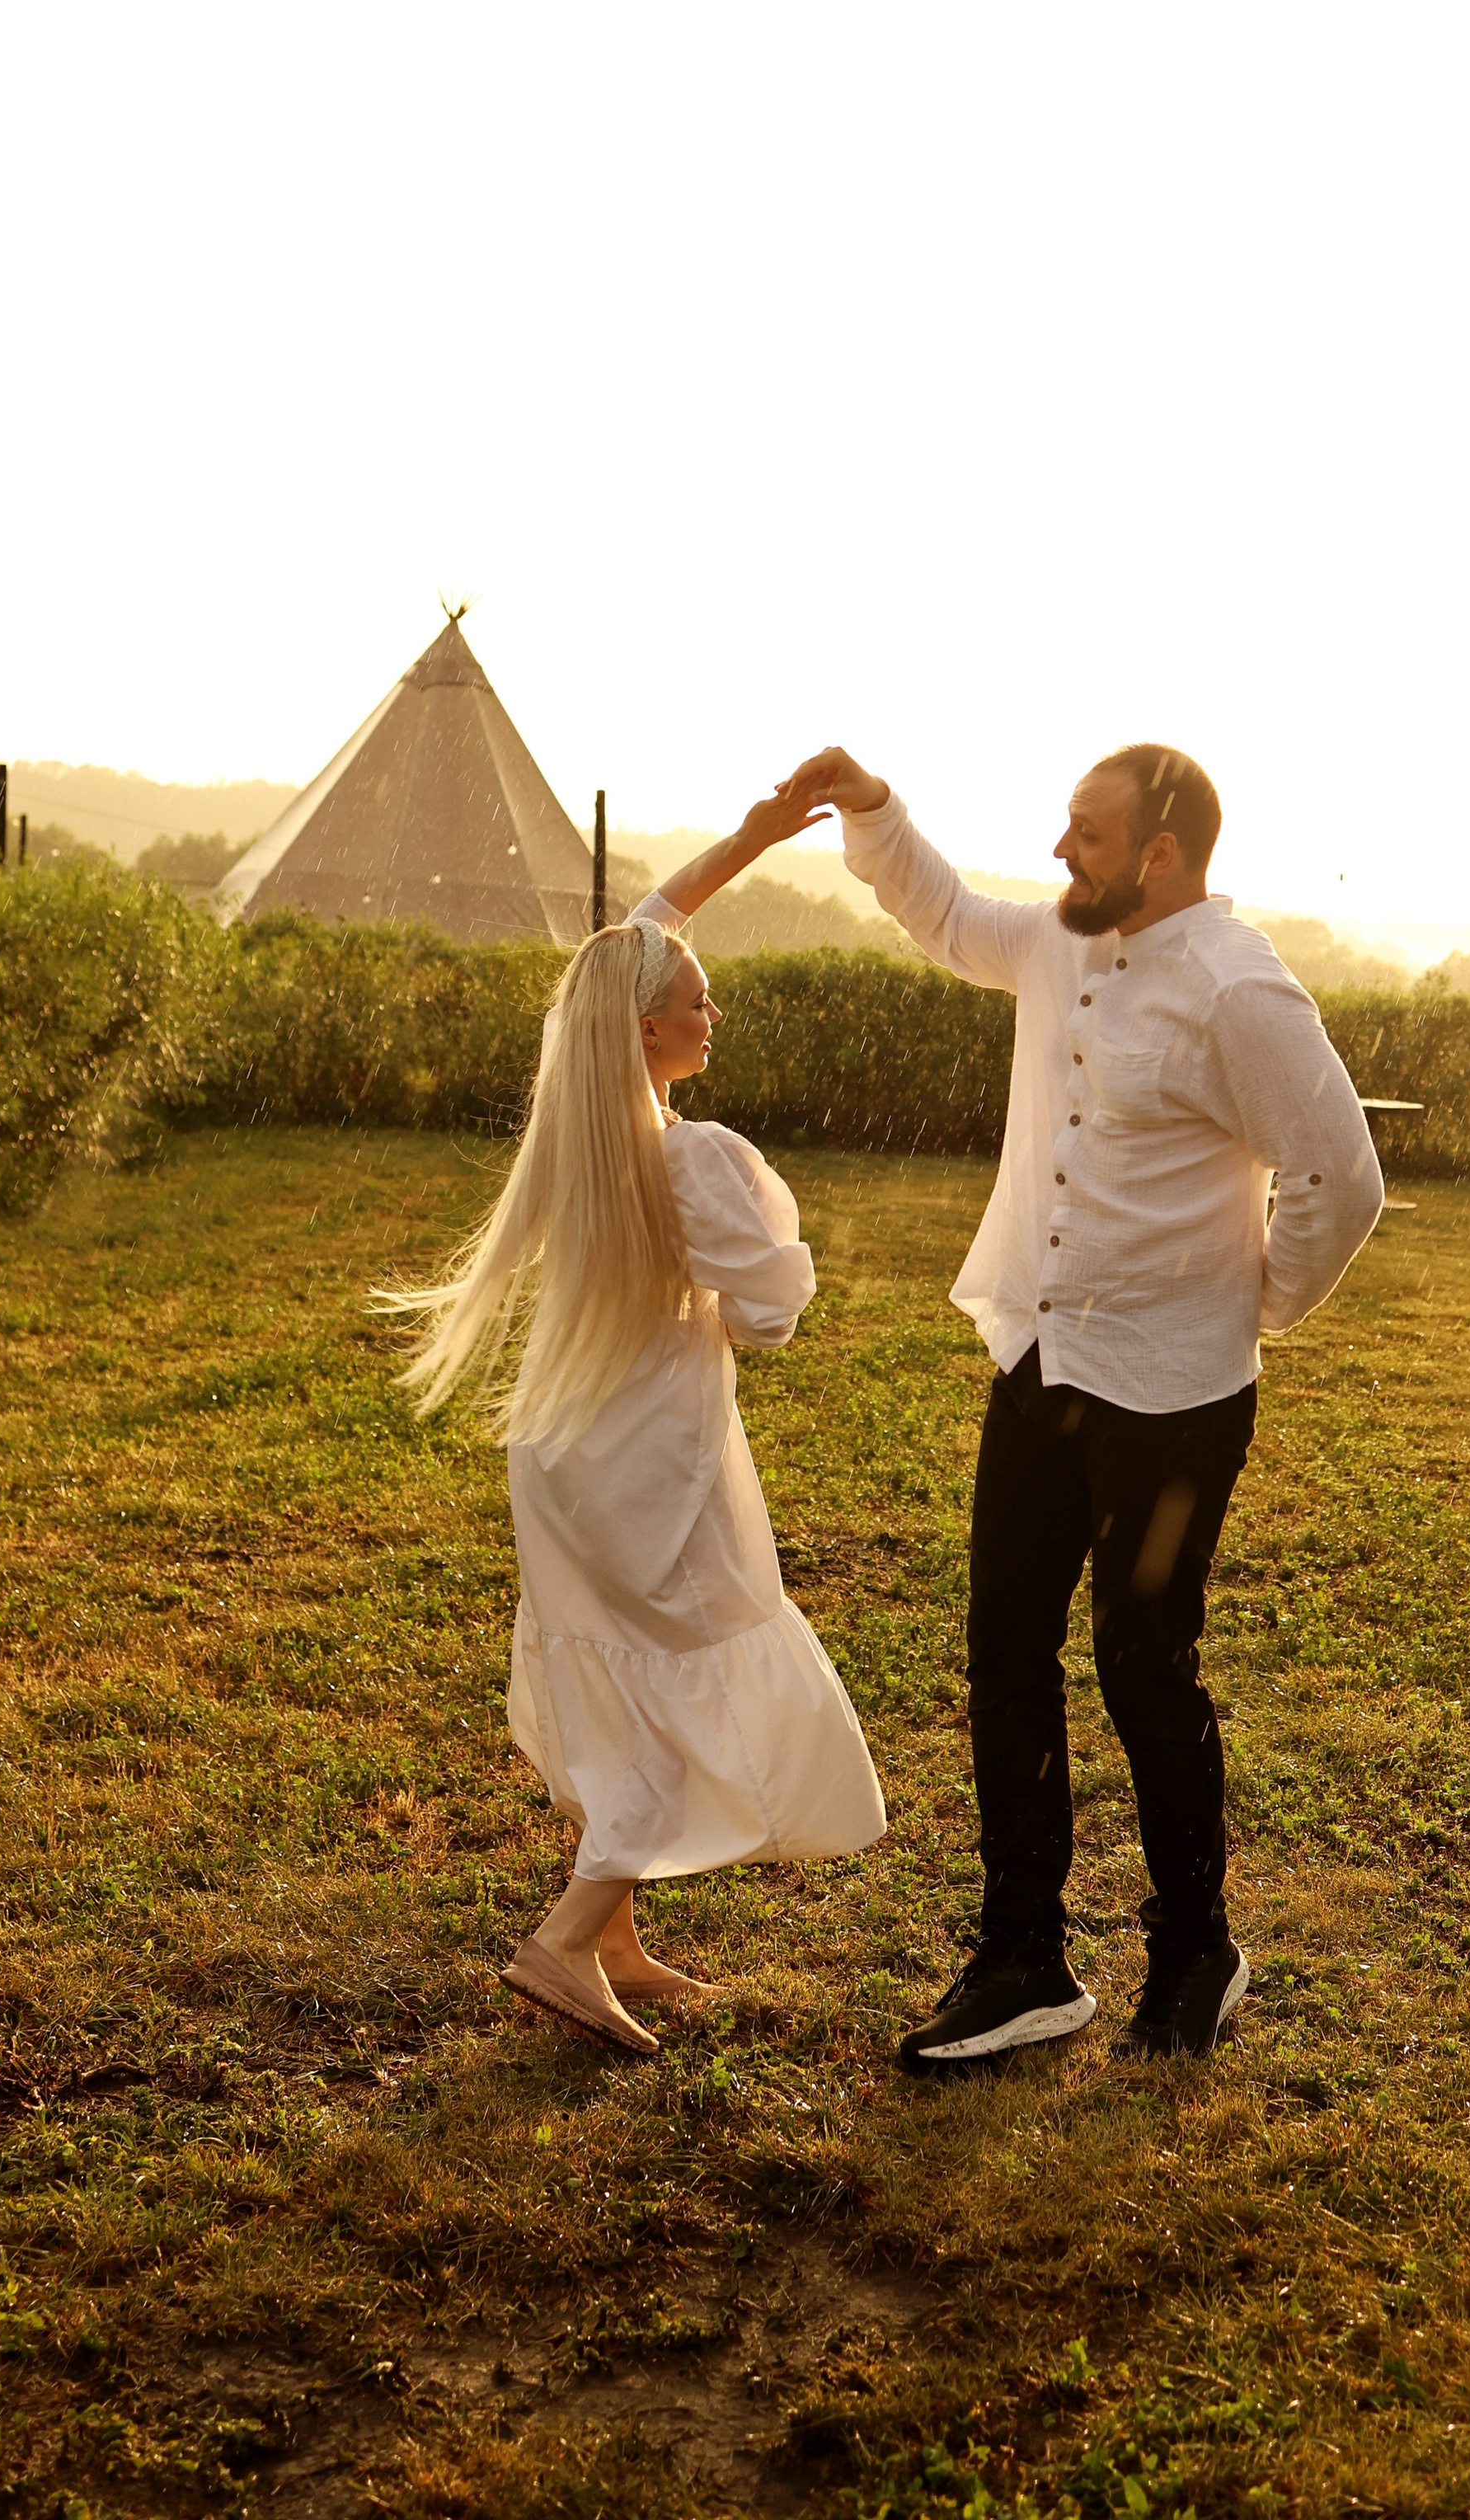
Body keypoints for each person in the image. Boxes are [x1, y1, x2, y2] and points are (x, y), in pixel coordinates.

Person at [783, 741, 1383, 2071]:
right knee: (1005, 1653)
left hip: (1174, 1398)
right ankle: (1021, 1962)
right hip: (1041, 1365)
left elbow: (1343, 1176)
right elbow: (943, 915)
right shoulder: (1058, 943)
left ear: (1160, 856)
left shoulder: (1238, 991)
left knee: (1140, 1668)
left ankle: (1195, 1951)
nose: (1063, 851)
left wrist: (1248, 1307)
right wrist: (874, 811)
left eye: (1088, 833)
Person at [387, 800, 885, 2056]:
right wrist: (769, 1240)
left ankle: (612, 1935)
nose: (715, 1016)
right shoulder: (692, 1157)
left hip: (571, 1457)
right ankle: (566, 1938)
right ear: (649, 1028)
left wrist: (757, 835)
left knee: (626, 1672)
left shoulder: (595, 1116)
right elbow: (772, 1315)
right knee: (688, 1687)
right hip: (656, 1467)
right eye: (701, 1004)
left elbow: (652, 927)